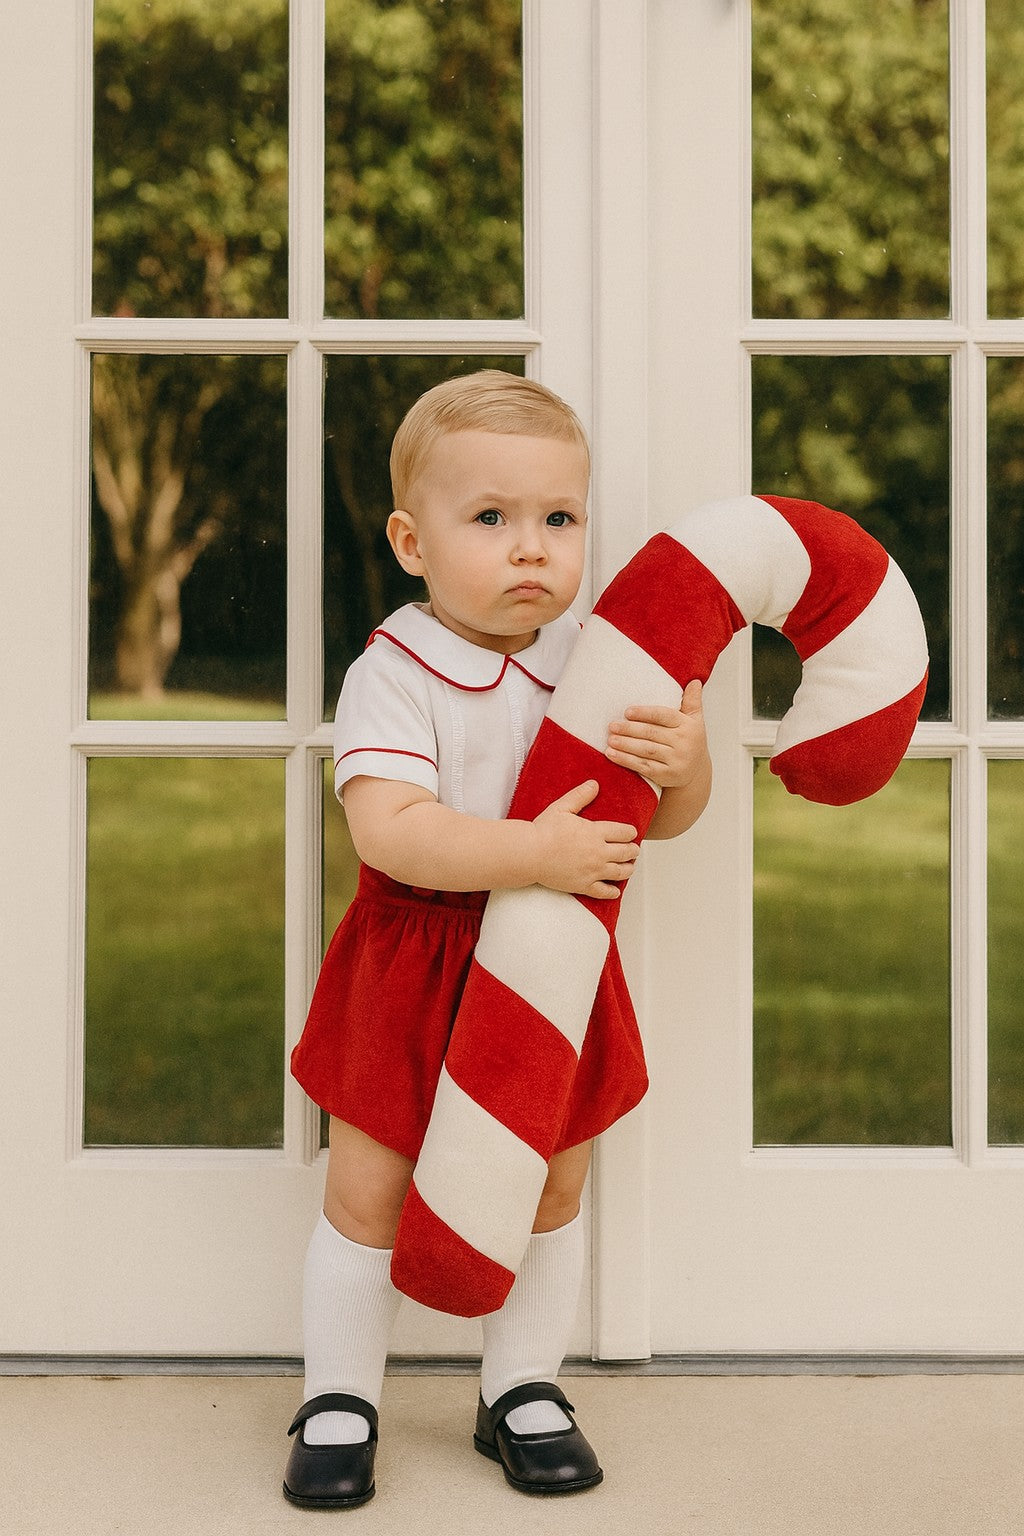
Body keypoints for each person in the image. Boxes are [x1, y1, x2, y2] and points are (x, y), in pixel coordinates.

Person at [283, 370, 712, 1508]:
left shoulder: (594, 662)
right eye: (491, 520)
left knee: (551, 1182)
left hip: (553, 967)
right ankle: (339, 1396)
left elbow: (655, 816)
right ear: (411, 541)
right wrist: (527, 855)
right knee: (367, 1182)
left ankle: (519, 1385)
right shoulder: (394, 672)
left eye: (557, 520)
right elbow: (393, 832)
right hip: (416, 962)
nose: (532, 550)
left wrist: (684, 770)